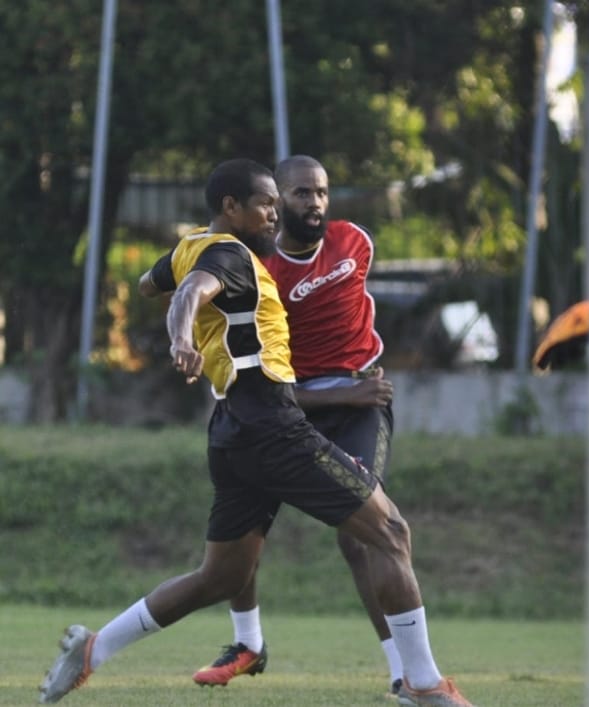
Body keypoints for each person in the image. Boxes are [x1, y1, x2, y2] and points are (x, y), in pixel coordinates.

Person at [38, 158, 474, 707]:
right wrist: (183, 338)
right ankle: (422, 683)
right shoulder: (232, 255)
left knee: (218, 577)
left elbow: (156, 283)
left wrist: (192, 309)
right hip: (273, 426)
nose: (275, 215)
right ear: (231, 209)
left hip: (230, 430)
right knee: (390, 533)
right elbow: (187, 294)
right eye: (268, 204)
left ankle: (92, 650)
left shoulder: (192, 245)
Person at [190, 155, 402, 696]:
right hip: (285, 409)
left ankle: (405, 670)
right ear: (273, 201)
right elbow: (262, 374)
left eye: (323, 192)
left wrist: (355, 386)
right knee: (242, 535)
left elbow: (354, 323)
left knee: (366, 537)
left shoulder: (355, 242)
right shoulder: (257, 271)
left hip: (359, 407)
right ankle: (249, 644)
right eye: (302, 193)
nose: (316, 203)